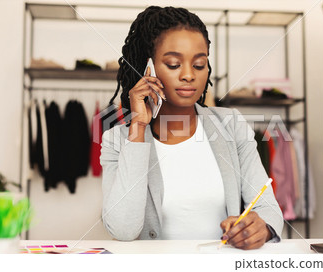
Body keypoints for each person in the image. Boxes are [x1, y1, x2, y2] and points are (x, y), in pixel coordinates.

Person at [101, 6, 283, 250]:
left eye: (199, 65)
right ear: (148, 69)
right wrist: (138, 127)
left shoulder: (231, 125)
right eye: (174, 64)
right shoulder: (117, 140)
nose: (189, 75)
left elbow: (268, 209)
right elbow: (123, 229)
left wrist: (261, 227)